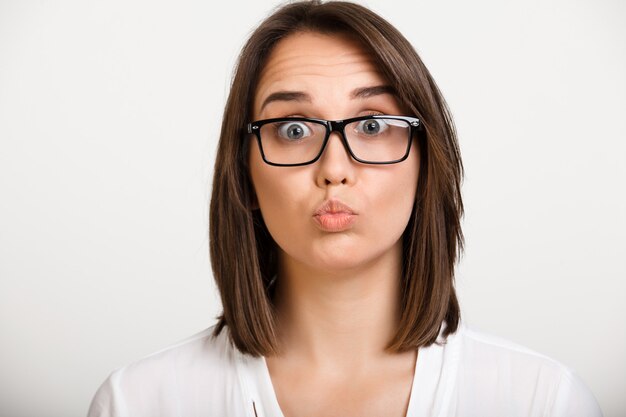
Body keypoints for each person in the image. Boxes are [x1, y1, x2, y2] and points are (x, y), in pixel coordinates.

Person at [87, 1, 603, 416]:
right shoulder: (138, 402)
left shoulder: (543, 400)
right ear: (243, 173)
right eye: (293, 129)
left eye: (372, 125)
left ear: (426, 166)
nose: (334, 168)